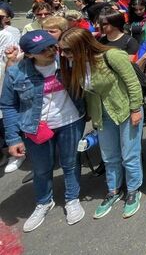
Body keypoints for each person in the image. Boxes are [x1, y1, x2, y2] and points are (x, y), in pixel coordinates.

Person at [0, 31, 87, 232]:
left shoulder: (66, 62)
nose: (50, 51)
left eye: (51, 45)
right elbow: (8, 105)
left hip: (70, 121)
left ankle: (72, 199)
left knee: (70, 162)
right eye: (43, 49)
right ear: (29, 55)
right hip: (34, 127)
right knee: (41, 168)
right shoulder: (16, 73)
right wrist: (13, 138)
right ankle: (43, 202)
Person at [58, 28, 144, 219]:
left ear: (82, 47)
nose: (64, 55)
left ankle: (133, 190)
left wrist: (136, 109)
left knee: (129, 154)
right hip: (102, 115)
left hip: (124, 109)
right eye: (62, 50)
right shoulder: (76, 65)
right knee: (109, 156)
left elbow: (132, 82)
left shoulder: (111, 56)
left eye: (68, 50)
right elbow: (88, 93)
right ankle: (113, 190)